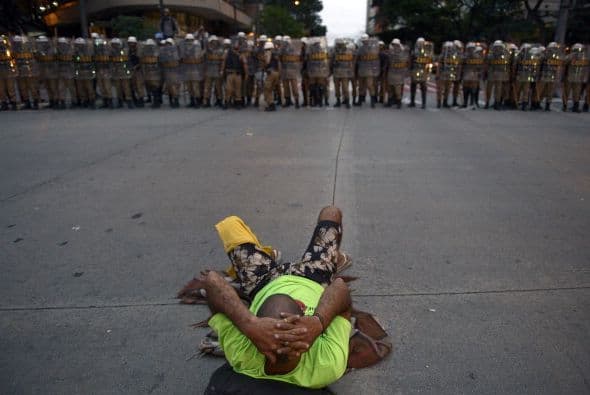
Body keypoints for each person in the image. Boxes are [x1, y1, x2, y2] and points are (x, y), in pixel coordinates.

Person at [203, 206, 352, 389]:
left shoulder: (243, 354)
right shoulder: (325, 364)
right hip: (315, 276)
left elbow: (211, 281)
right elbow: (339, 287)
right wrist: (318, 322)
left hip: (263, 282)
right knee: (331, 213)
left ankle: (268, 255)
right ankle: (332, 258)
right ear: (304, 343)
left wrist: (247, 324)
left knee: (230, 225)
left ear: (258, 338)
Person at [263, 40, 281, 111]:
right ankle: (272, 103)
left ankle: (271, 104)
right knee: (271, 89)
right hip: (276, 73)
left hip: (270, 73)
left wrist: (264, 66)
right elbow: (279, 64)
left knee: (267, 89)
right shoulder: (276, 54)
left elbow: (267, 62)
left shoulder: (268, 53)